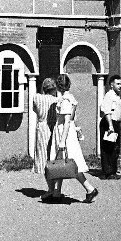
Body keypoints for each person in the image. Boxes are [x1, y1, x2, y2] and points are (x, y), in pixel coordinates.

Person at [44, 73, 98, 204]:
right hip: (64, 132)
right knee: (60, 163)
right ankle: (57, 193)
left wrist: (62, 141)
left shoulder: (66, 101)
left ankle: (90, 189)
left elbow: (67, 121)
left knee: (71, 164)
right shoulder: (69, 98)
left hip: (64, 134)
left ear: (58, 86)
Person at [99, 74, 121, 179]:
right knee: (108, 147)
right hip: (108, 123)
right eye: (117, 84)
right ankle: (108, 172)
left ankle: (112, 170)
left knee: (114, 148)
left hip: (115, 123)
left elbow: (119, 115)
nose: (120, 86)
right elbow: (106, 111)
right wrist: (110, 126)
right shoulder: (109, 95)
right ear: (111, 85)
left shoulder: (117, 97)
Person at [32, 77, 58, 197]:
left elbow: (35, 109)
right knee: (53, 157)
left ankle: (50, 188)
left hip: (42, 128)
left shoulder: (37, 98)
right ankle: (55, 188)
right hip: (54, 128)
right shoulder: (57, 100)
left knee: (44, 158)